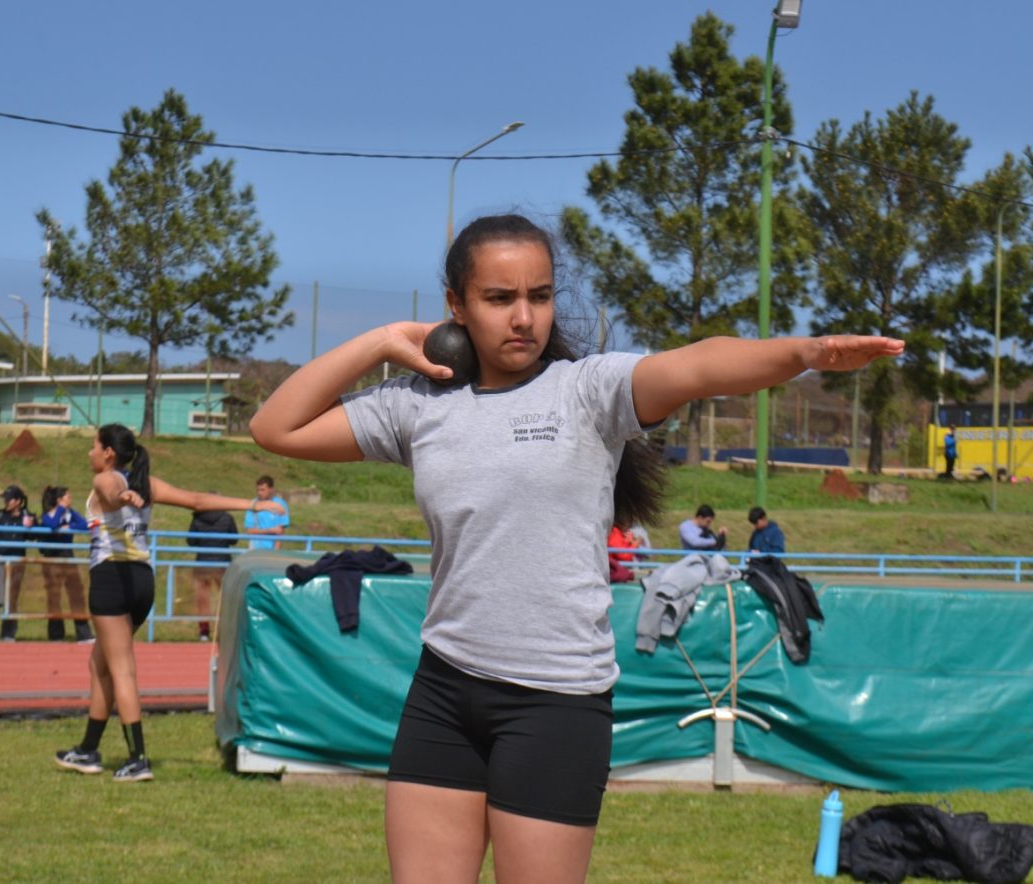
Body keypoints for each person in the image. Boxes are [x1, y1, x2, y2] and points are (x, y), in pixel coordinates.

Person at [248, 213, 903, 882]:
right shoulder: (420, 404)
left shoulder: (588, 392)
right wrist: (384, 340)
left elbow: (701, 364)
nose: (523, 317)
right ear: (456, 306)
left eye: (539, 294)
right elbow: (275, 425)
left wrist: (804, 354)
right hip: (445, 692)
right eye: (499, 299)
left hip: (555, 705)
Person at [53, 423, 285, 783]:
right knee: (100, 664)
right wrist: (253, 503)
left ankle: (138, 759)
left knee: (121, 669)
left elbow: (111, 491)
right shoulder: (146, 481)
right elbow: (197, 501)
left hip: (113, 580)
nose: (90, 453)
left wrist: (121, 498)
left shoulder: (106, 479)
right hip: (142, 582)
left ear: (108, 453)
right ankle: (87, 750)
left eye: (93, 446)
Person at [40, 486, 94, 643]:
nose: (70, 499)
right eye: (67, 497)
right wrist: (60, 510)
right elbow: (51, 524)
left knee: (76, 594)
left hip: (67, 556)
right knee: (54, 597)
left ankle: (84, 634)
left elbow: (85, 524)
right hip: (51, 558)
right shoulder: (48, 514)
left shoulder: (71, 514)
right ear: (59, 500)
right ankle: (56, 635)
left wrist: (69, 526)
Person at [0, 485, 37, 641]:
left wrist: (31, 526)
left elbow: (34, 536)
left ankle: (8, 633)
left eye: (8, 499)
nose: (6, 502)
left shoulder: (26, 515)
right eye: (5, 499)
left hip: (17, 559)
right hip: (1, 557)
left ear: (17, 501)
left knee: (13, 596)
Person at [186, 505, 239, 641]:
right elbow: (234, 539)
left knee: (203, 599)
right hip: (223, 562)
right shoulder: (227, 518)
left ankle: (204, 631)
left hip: (203, 562)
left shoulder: (197, 518)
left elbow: (191, 541)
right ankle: (224, 630)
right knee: (225, 598)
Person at [244, 475, 289, 549]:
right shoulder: (253, 504)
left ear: (271, 489)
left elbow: (280, 532)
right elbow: (249, 531)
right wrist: (270, 530)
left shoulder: (280, 504)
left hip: (272, 550)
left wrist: (275, 552)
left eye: (262, 490)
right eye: (258, 490)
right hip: (255, 549)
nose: (259, 493)